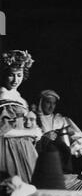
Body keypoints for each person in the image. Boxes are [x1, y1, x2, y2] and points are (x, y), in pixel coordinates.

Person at [0, 50, 41, 182]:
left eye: (19, 75)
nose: (15, 80)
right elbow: (4, 132)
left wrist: (34, 131)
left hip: (24, 148)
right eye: (11, 75)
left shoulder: (20, 98)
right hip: (8, 149)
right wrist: (30, 133)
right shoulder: (3, 95)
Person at [36, 89, 82, 173]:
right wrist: (44, 137)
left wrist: (70, 147)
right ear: (41, 102)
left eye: (53, 103)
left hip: (60, 163)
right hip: (43, 161)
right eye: (48, 102)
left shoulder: (60, 120)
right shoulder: (34, 119)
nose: (51, 106)